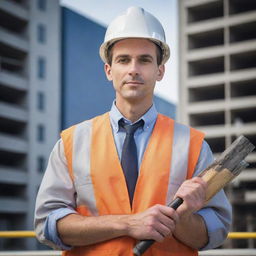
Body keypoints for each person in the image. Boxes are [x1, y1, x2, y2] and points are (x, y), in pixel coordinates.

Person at [34, 6, 232, 256]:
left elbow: (213, 233)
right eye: (123, 60)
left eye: (145, 59)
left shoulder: (192, 145)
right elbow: (47, 225)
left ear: (160, 71)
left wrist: (182, 218)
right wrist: (127, 223)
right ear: (109, 71)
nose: (133, 69)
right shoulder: (72, 143)